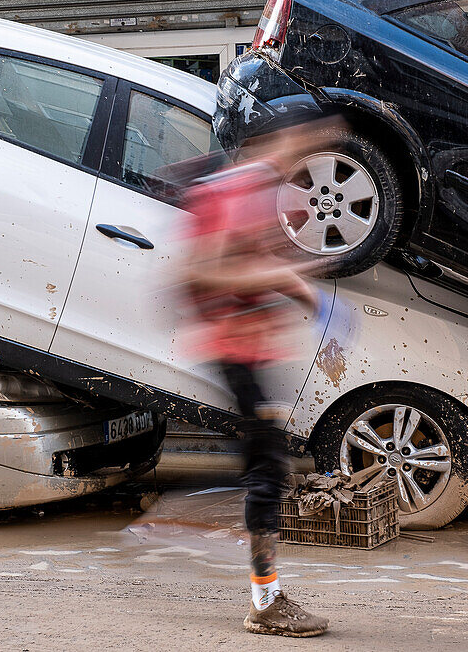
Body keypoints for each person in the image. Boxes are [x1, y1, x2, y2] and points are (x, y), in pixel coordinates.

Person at [180, 142, 330, 638]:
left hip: (251, 350)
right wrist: (287, 277)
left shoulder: (263, 190)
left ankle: (263, 596)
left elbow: (250, 260)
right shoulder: (240, 190)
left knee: (266, 467)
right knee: (267, 471)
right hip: (235, 350)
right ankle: (265, 603)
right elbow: (204, 271)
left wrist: (294, 283)